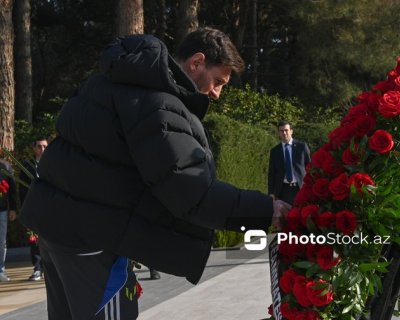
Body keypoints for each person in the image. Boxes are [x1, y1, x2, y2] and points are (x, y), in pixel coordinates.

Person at [20, 28, 289, 319]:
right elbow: (192, 192)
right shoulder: (159, 106)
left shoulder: (108, 82)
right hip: (93, 241)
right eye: (218, 81)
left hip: (56, 230)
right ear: (197, 62)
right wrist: (267, 210)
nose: (217, 93)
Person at [18, 137, 48, 281]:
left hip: (50, 208)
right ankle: (37, 267)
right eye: (39, 147)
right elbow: (22, 189)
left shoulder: (53, 164)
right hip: (33, 208)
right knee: (35, 240)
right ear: (34, 148)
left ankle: (49, 267)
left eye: (45, 146)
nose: (42, 150)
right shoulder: (27, 166)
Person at [268, 121, 311, 205]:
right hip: (283, 190)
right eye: (281, 131)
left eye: (286, 130)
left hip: (300, 188)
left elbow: (309, 167)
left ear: (291, 131)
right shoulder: (275, 151)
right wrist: (271, 193)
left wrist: (310, 186)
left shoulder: (301, 147)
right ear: (279, 133)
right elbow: (272, 173)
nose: (284, 133)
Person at [0, 159, 17, 282]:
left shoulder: (5, 165)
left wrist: (13, 208)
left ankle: (0, 270)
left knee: (1, 241)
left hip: (2, 209)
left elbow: (12, 189)